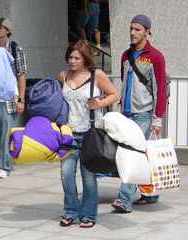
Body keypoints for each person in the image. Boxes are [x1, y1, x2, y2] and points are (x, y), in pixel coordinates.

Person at [56, 40, 119, 228]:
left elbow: (115, 94)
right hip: (68, 133)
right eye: (70, 57)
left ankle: (89, 215)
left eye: (77, 58)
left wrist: (99, 103)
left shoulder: (96, 75)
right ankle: (71, 211)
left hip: (90, 133)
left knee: (88, 177)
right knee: (66, 174)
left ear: (85, 58)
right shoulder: (63, 75)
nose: (72, 61)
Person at [111, 14, 167, 213]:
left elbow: (160, 89)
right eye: (131, 29)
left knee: (132, 156)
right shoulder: (125, 55)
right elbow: (124, 83)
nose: (133, 33)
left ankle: (124, 200)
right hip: (126, 114)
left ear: (147, 31)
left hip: (143, 115)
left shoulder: (155, 57)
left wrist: (157, 119)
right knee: (138, 155)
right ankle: (150, 194)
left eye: (137, 29)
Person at [0, 18, 27, 179]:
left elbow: (22, 75)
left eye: (1, 27)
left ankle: (3, 165)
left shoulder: (16, 49)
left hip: (9, 98)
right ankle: (2, 156)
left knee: (6, 134)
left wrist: (21, 100)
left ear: (8, 31)